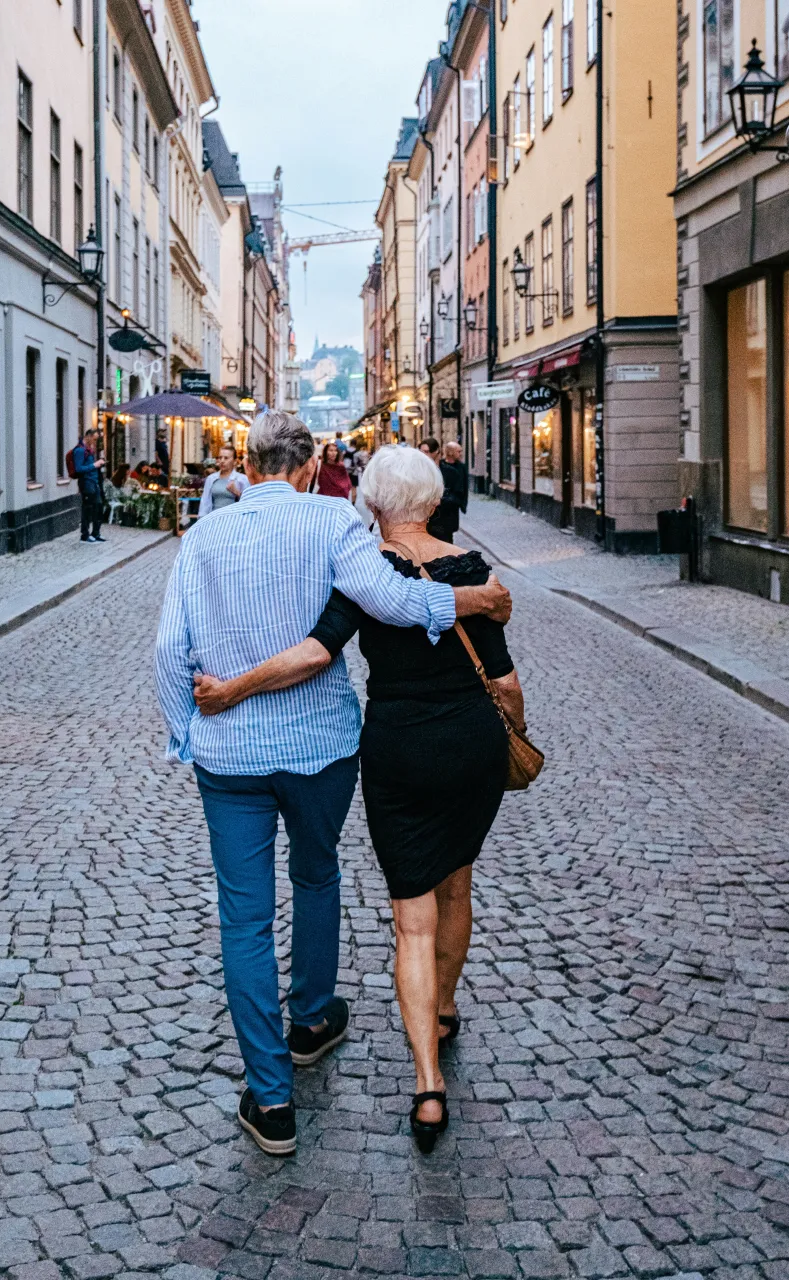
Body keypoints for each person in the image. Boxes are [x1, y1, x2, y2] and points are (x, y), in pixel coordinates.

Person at [155, 411, 513, 1158]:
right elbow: (392, 603)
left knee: (243, 919)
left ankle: (272, 1098)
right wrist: (469, 600)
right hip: (319, 748)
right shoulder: (331, 523)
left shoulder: (204, 536)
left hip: (229, 758)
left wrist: (189, 733)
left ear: (247, 465)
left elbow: (169, 649)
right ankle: (313, 1020)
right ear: (313, 468)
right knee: (317, 875)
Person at [420, 437, 462, 543]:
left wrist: (440, 500)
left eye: (426, 452)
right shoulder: (417, 473)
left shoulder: (451, 473)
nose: (422, 455)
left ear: (436, 452)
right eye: (420, 452)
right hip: (422, 524)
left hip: (444, 523)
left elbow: (458, 498)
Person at [73, 429, 107, 544]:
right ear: (88, 436)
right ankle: (85, 535)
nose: (95, 441)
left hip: (94, 482)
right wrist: (95, 465)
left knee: (98, 507)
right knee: (87, 508)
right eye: (94, 438)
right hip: (86, 482)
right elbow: (79, 469)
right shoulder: (80, 450)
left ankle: (96, 533)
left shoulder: (89, 450)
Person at [198, 444, 250, 516]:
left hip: (234, 521)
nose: (222, 461)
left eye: (226, 458)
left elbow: (250, 503)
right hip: (214, 521)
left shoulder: (242, 479)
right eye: (220, 457)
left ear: (234, 461)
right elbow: (205, 503)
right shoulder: (211, 479)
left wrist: (237, 493)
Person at [444, 441, 469, 520]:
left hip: (454, 504)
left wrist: (463, 504)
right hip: (442, 504)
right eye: (458, 451)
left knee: (453, 527)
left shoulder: (462, 467)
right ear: (451, 452)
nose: (461, 454)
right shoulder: (441, 465)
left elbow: (465, 485)